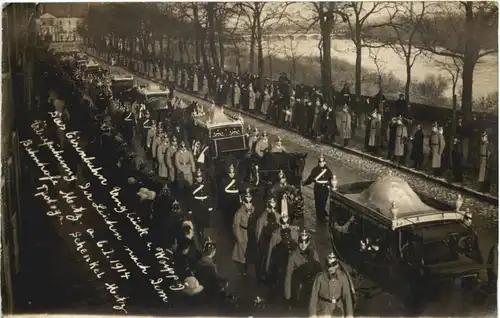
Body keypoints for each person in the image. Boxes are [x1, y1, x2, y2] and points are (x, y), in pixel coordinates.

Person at [309, 253, 354, 318]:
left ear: (337, 265)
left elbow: (347, 297)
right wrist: (312, 315)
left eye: (333, 264)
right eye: (328, 265)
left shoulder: (342, 277)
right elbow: (314, 298)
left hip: (338, 311)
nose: (331, 267)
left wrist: (349, 315)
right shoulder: (320, 278)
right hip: (324, 310)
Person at [284, 230, 321, 305]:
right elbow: (288, 275)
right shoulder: (293, 256)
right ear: (298, 242)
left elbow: (319, 272)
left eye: (305, 242)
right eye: (301, 242)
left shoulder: (313, 253)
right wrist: (288, 296)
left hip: (311, 287)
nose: (303, 245)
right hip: (299, 289)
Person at [255, 197, 280, 284]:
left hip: (273, 241)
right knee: (263, 258)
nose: (272, 209)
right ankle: (261, 275)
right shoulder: (262, 217)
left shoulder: (277, 216)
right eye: (270, 206)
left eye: (273, 206)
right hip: (265, 240)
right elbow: (258, 231)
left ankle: (270, 275)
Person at [302, 154, 333, 227]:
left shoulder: (328, 170)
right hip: (318, 189)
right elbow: (310, 178)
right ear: (318, 163)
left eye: (323, 162)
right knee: (318, 204)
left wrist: (332, 187)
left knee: (323, 203)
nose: (321, 163)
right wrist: (304, 183)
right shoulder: (315, 170)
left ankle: (322, 216)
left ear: (325, 162)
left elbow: (330, 179)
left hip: (325, 189)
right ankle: (320, 218)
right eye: (320, 162)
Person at [232, 190, 255, 276]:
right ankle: (243, 267)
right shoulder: (239, 213)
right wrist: (239, 237)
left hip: (251, 232)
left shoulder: (253, 209)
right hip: (243, 232)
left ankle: (249, 262)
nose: (249, 204)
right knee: (242, 252)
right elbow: (236, 225)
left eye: (250, 202)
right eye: (247, 202)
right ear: (243, 202)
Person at [190, 168, 213, 240]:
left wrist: (210, 205)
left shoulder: (206, 185)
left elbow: (209, 196)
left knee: (207, 221)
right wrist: (190, 209)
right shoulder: (193, 186)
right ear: (195, 178)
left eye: (200, 177)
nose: (199, 179)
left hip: (205, 205)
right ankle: (199, 234)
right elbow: (191, 198)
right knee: (198, 221)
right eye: (198, 177)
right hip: (197, 206)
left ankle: (207, 236)